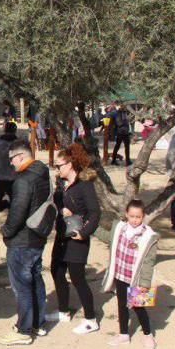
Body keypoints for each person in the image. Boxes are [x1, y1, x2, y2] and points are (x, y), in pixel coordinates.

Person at [0, 139, 52, 346]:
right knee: (35, 280)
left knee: (21, 286)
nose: (11, 163)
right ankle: (37, 323)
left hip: (22, 240)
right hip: (38, 236)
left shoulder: (23, 181)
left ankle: (23, 330)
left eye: (12, 159)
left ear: (21, 156)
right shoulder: (42, 173)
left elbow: (17, 212)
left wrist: (6, 232)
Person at [46, 144, 101, 335]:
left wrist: (84, 233)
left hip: (77, 239)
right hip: (62, 236)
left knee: (78, 278)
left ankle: (91, 319)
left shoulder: (84, 185)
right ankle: (63, 311)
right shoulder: (61, 185)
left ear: (70, 164)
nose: (57, 169)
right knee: (57, 271)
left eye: (59, 165)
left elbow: (94, 213)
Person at [93, 199, 159, 349]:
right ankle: (123, 334)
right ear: (126, 215)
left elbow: (149, 262)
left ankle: (148, 334)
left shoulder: (149, 236)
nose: (135, 220)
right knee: (122, 304)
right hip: (120, 275)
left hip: (135, 279)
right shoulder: (120, 228)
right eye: (132, 216)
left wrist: (145, 283)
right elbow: (107, 237)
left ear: (143, 217)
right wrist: (92, 228)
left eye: (138, 217)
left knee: (139, 307)